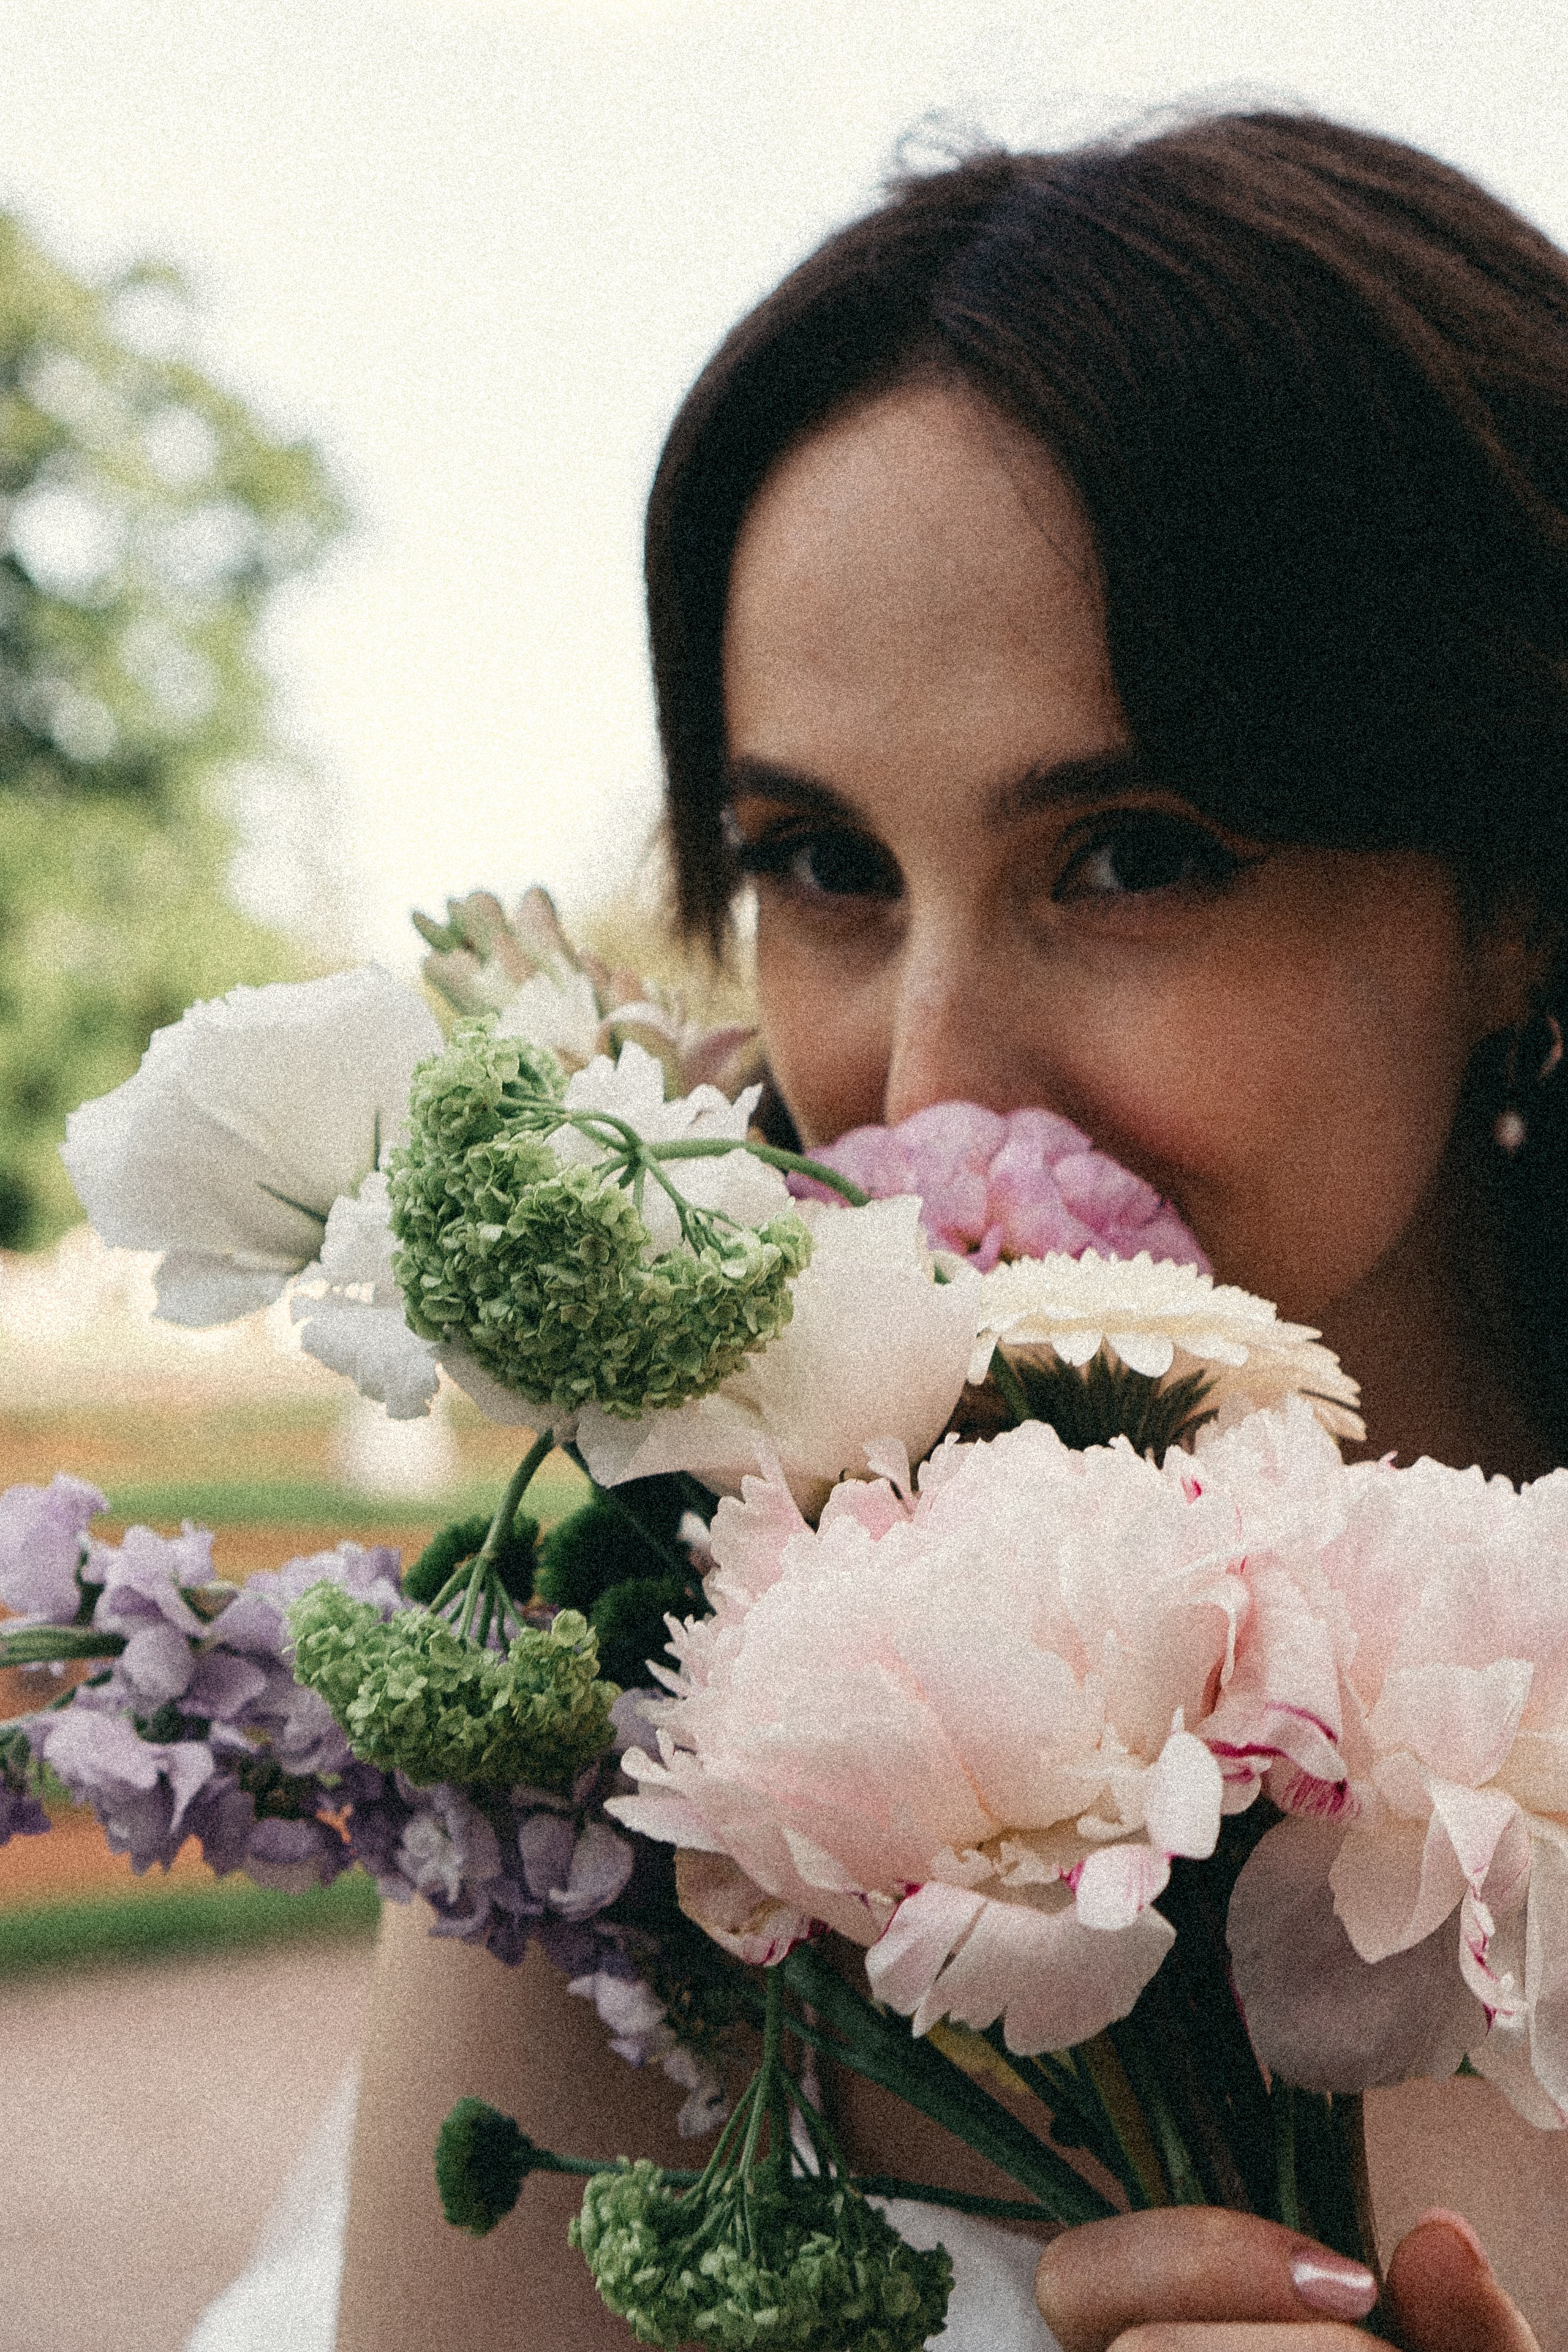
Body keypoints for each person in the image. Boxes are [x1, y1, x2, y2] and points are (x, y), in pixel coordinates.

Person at [206, 108, 1568, 2351]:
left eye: (1131, 853)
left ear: (1518, 891)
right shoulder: (647, 1728)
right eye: (825, 865)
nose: (926, 1075)